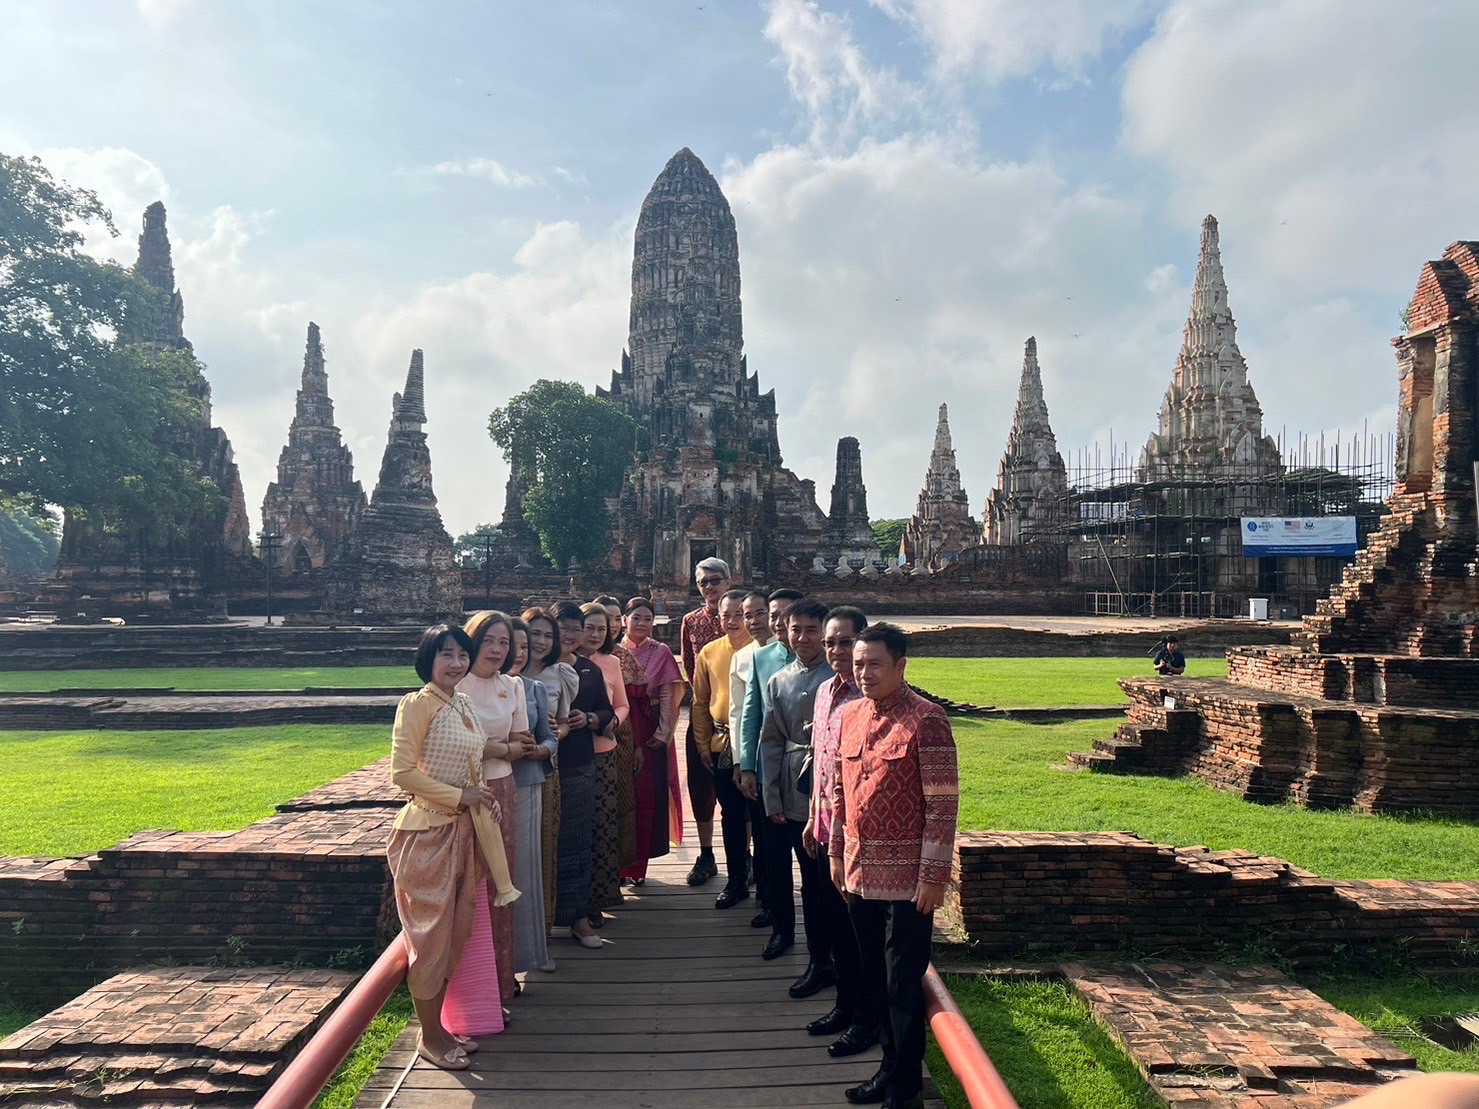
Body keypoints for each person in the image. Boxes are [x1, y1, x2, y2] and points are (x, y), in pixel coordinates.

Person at [830, 623, 958, 1109]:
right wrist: (839, 854)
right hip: (860, 874)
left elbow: (943, 806)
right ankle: (887, 1070)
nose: (863, 672)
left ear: (901, 666)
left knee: (902, 991)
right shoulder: (849, 716)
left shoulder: (927, 720)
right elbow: (840, 796)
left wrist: (932, 878)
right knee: (874, 983)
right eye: (858, 663)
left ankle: (905, 1094)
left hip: (909, 885)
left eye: (874, 664)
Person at [386, 624, 517, 1071]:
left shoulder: (461, 703)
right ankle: (428, 1036)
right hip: (427, 834)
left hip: (464, 831)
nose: (457, 663)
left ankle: (439, 1027)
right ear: (429, 659)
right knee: (430, 936)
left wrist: (481, 797)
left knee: (458, 929)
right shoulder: (418, 704)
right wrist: (462, 796)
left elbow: (472, 764)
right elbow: (402, 773)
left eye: (463, 654)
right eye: (447, 655)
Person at [802, 605, 877, 1057]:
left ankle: (866, 1019)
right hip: (827, 827)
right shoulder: (826, 691)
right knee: (836, 928)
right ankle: (845, 1006)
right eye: (830, 642)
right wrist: (814, 816)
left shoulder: (868, 698)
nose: (835, 650)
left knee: (859, 933)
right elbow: (822, 767)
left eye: (845, 642)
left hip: (857, 836)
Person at [456, 610, 529, 1007]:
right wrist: (501, 747)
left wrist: (495, 748)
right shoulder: (454, 683)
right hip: (459, 793)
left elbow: (524, 743)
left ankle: (500, 982)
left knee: (501, 885)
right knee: (466, 885)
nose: (499, 650)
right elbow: (453, 746)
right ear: (473, 641)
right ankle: (468, 989)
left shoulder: (512, 686)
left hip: (502, 788)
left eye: (506, 643)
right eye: (489, 641)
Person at [759, 599, 834, 967]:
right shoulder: (779, 679)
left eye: (811, 630)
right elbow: (770, 741)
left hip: (827, 787)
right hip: (790, 781)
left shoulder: (837, 680)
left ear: (824, 633)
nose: (802, 638)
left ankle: (823, 956)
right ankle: (784, 932)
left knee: (817, 878)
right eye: (795, 630)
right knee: (780, 866)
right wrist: (770, 796)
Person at [738, 587, 803, 935]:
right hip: (769, 766)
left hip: (809, 770)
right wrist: (747, 764)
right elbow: (751, 716)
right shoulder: (762, 658)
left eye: (785, 615)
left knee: (812, 861)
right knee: (772, 853)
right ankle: (781, 925)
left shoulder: (824, 660)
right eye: (773, 615)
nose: (778, 622)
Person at [552, 602, 615, 949]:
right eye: (565, 627)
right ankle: (542, 922)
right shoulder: (534, 670)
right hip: (539, 765)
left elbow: (605, 709)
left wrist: (588, 719)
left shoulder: (589, 669)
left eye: (577, 628)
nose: (572, 635)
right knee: (542, 847)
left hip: (578, 761)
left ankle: (578, 917)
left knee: (577, 841)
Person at [690, 589, 754, 910]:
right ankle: (736, 880)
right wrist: (703, 742)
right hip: (722, 743)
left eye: (738, 615)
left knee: (759, 814)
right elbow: (700, 702)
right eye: (725, 615)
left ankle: (763, 880)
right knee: (730, 814)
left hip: (756, 744)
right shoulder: (709, 652)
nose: (731, 621)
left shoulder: (763, 651)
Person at [522, 607, 578, 949]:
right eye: (534, 634)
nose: (540, 642)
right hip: (499, 773)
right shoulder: (503, 673)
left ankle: (539, 937)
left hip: (544, 770)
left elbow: (564, 722)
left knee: (542, 851)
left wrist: (552, 739)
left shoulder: (561, 674)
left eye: (547, 635)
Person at [619, 597, 685, 885]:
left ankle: (637, 867)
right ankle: (615, 864)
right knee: (618, 797)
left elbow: (670, 697)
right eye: (636, 618)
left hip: (650, 729)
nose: (642, 624)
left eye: (647, 619)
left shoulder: (661, 653)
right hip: (618, 730)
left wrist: (663, 733)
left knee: (645, 796)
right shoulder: (614, 652)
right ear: (624, 620)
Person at [507, 617, 559, 976]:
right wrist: (503, 747)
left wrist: (543, 750)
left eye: (524, 647)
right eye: (514, 645)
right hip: (484, 787)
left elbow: (549, 735)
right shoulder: (465, 690)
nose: (518, 653)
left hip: (526, 781)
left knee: (525, 870)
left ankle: (524, 954)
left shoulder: (533, 688)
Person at [579, 602, 630, 923]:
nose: (596, 634)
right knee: (577, 829)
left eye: (602, 629)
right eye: (589, 628)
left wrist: (613, 721)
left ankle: (601, 895)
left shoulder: (611, 662)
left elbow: (622, 705)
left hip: (604, 751)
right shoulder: (562, 662)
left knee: (603, 826)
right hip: (570, 756)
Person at [598, 596, 643, 877]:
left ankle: (621, 869)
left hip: (621, 735)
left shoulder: (621, 657)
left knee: (622, 801)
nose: (612, 626)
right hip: (587, 739)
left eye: (616, 619)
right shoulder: (573, 657)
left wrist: (637, 744)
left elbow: (632, 707)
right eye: (605, 620)